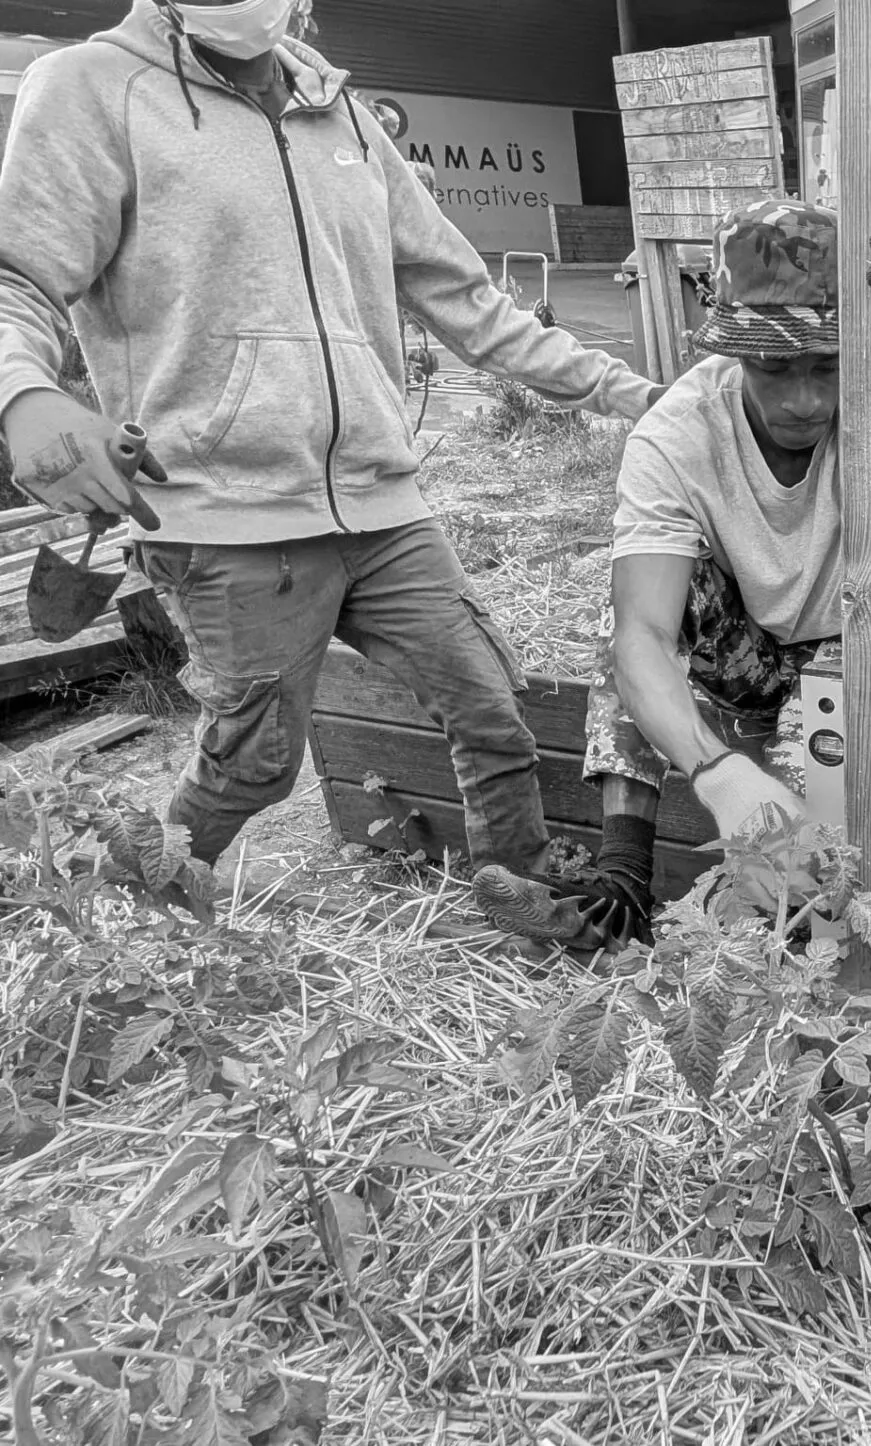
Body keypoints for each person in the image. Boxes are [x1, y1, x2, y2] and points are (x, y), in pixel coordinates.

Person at [0, 0, 663, 876]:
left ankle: (524, 891)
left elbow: (468, 300)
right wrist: (24, 396)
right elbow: (19, 279)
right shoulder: (91, 87)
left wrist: (636, 394)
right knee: (255, 770)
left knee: (492, 713)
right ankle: (129, 915)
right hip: (230, 515)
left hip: (382, 506)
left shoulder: (341, 112)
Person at [472, 181, 871, 946]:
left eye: (824, 365)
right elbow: (643, 640)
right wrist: (716, 773)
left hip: (858, 646)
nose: (805, 401)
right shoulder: (676, 436)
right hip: (739, 652)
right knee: (631, 616)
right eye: (773, 368)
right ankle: (621, 882)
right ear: (730, 353)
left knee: (809, 876)